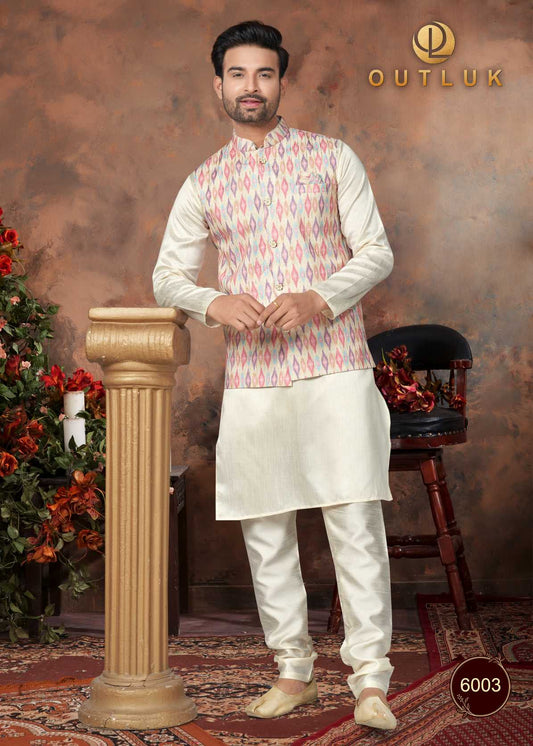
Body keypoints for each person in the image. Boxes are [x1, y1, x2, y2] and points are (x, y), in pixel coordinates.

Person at [153, 20, 397, 731]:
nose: (250, 86)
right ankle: (293, 672)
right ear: (218, 86)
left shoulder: (331, 158)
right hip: (254, 375)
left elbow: (375, 251)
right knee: (264, 525)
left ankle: (370, 682)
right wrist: (212, 302)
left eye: (263, 73)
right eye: (237, 74)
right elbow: (168, 275)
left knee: (353, 518)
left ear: (281, 82)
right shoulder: (205, 181)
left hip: (335, 364)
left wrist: (320, 297)